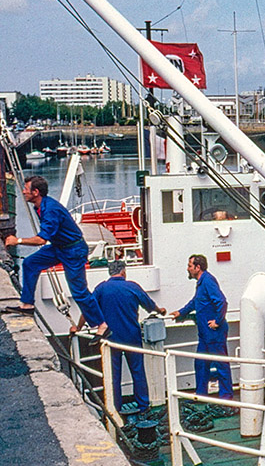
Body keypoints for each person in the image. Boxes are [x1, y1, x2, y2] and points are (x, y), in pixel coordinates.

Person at [3, 175, 108, 335]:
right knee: (30, 263)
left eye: (26, 189)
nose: (23, 192)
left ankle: (101, 325)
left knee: (78, 291)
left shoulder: (50, 210)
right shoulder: (40, 206)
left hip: (73, 250)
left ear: (35, 192)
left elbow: (40, 240)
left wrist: (17, 240)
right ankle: (27, 305)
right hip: (59, 247)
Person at [75, 260, 166, 415]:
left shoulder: (101, 288)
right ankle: (143, 406)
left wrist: (77, 328)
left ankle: (114, 408)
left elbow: (87, 309)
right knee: (138, 372)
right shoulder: (132, 287)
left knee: (113, 376)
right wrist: (161, 310)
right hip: (132, 338)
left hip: (110, 339)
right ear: (123, 272)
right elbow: (150, 305)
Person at [170, 254, 233, 399]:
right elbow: (195, 302)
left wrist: (217, 321)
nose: (188, 269)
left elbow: (222, 302)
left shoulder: (208, 281)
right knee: (201, 364)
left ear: (198, 268)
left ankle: (227, 398)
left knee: (221, 366)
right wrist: (180, 312)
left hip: (214, 332)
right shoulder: (201, 282)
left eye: (190, 266)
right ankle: (201, 395)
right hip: (205, 334)